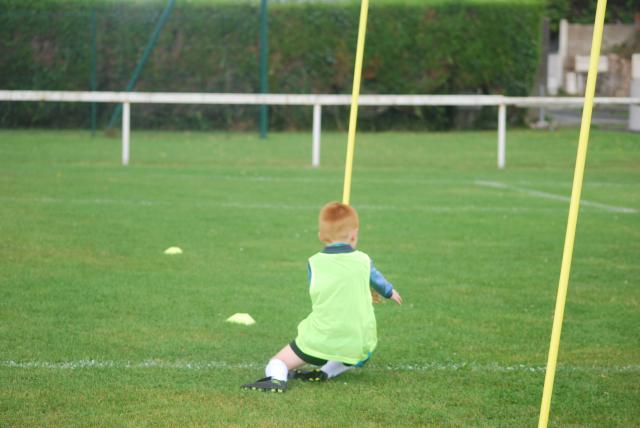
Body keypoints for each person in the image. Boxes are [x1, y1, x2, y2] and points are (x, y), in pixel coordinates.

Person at [242, 201, 403, 393]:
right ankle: (326, 372)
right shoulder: (363, 260)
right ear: (354, 234)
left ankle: (277, 380)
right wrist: (389, 292)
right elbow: (378, 282)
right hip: (357, 342)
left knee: (278, 362)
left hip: (319, 340)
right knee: (357, 351)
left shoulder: (314, 263)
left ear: (321, 236)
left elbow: (321, 289)